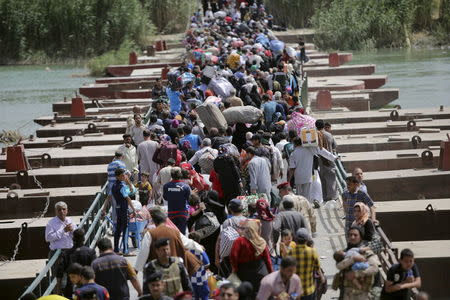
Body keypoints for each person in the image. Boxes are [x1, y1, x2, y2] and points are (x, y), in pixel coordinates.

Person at [135, 208, 203, 276]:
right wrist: (199, 247)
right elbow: (188, 243)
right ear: (165, 220)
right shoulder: (175, 232)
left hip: (158, 273)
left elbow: (143, 252)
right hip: (174, 271)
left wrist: (137, 269)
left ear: (154, 221)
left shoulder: (150, 234)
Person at [334, 227, 380, 300]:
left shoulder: (366, 252)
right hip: (347, 292)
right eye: (350, 235)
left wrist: (357, 274)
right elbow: (338, 266)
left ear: (361, 237)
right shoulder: (344, 253)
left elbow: (374, 268)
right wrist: (353, 259)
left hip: (363, 292)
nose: (352, 237)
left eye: (355, 235)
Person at [230, 219, 273, 296]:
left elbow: (233, 256)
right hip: (261, 273)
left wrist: (235, 269)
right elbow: (268, 260)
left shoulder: (239, 241)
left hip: (244, 273)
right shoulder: (261, 241)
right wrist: (270, 273)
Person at [56, 228, 96, 297]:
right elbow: (95, 269)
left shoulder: (65, 253)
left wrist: (58, 288)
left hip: (70, 287)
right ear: (83, 238)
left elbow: (60, 273)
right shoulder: (91, 252)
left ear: (73, 239)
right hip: (88, 287)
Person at [288, 228, 325, 300]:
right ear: (307, 239)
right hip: (309, 290)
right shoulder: (312, 252)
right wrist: (322, 278)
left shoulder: (291, 252)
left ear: (296, 239)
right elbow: (318, 268)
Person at [45, 201, 75, 279]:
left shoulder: (70, 220)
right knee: (59, 279)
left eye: (63, 209)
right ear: (56, 211)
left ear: (67, 210)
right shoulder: (51, 223)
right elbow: (48, 238)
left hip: (69, 252)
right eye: (59, 210)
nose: (62, 211)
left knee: (71, 277)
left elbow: (75, 235)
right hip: (57, 253)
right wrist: (63, 231)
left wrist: (72, 230)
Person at [111, 168, 137, 254]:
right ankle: (126, 251)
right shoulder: (122, 186)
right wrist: (134, 209)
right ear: (117, 176)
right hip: (124, 209)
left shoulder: (114, 185)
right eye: (122, 175)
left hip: (118, 208)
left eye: (124, 175)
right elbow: (128, 197)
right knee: (125, 229)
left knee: (118, 229)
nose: (123, 177)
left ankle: (116, 250)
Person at [163, 168, 191, 233]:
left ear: (171, 175)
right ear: (180, 175)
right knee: (182, 236)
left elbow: (165, 198)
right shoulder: (185, 186)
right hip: (182, 214)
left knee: (173, 235)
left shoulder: (166, 186)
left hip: (171, 214)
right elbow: (189, 200)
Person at [315, 119, 338, 202]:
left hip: (320, 160)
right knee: (331, 178)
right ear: (323, 126)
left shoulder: (315, 135)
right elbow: (334, 145)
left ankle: (324, 196)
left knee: (322, 178)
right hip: (329, 160)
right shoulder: (329, 135)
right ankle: (332, 196)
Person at [103, 151, 126, 224]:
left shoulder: (109, 165)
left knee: (114, 207)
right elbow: (123, 176)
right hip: (119, 188)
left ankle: (115, 226)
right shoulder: (121, 164)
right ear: (122, 156)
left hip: (111, 187)